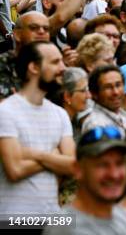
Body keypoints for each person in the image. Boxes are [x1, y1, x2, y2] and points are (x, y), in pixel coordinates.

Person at [0, 42, 74, 214]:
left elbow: (72, 166)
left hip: (53, 220)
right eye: (55, 62)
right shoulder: (6, 111)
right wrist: (54, 156)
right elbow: (15, 169)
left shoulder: (60, 114)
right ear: (33, 67)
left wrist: (35, 154)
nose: (63, 68)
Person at [42, 126, 126, 235]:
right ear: (78, 170)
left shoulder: (123, 217)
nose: (114, 174)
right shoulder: (65, 228)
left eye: (119, 163)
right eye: (102, 165)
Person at [0, 11, 50, 99]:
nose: (42, 32)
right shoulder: (3, 63)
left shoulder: (53, 61)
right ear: (17, 34)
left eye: (46, 29)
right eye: (34, 28)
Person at [81, 65, 126, 135]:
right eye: (108, 87)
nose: (116, 92)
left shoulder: (123, 114)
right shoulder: (95, 125)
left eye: (118, 85)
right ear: (95, 93)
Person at [61, 67, 91, 136]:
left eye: (88, 90)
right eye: (83, 91)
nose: (89, 96)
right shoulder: (58, 125)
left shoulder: (79, 123)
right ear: (67, 97)